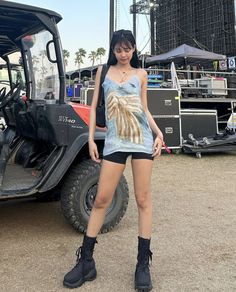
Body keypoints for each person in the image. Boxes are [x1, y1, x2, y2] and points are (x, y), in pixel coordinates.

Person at [63, 29, 164, 291]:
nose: (123, 54)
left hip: (141, 139)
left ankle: (143, 264)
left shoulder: (141, 74)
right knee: (101, 200)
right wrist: (89, 140)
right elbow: (95, 105)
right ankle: (86, 262)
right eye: (118, 49)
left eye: (127, 49)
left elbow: (144, 108)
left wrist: (158, 131)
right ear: (113, 50)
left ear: (133, 50)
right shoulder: (102, 72)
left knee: (143, 200)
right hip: (115, 142)